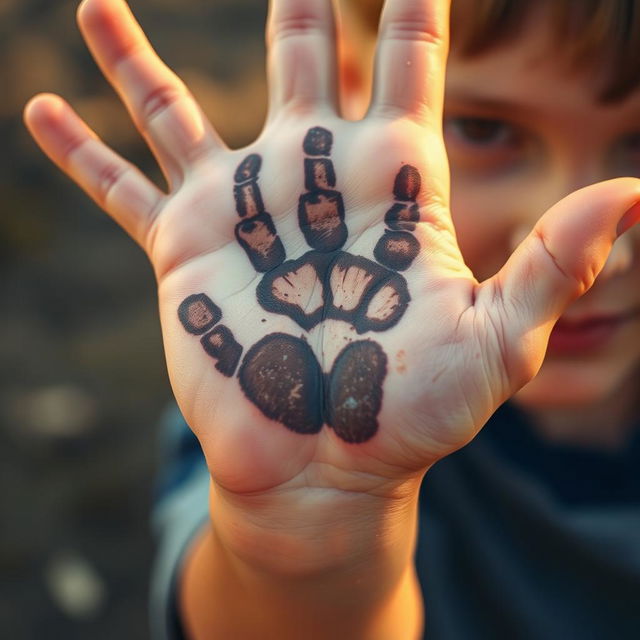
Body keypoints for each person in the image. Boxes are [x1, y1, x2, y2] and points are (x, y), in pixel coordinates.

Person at [23, 0, 640, 638]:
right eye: (485, 129)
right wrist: (314, 532)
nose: (607, 256)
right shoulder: (260, 406)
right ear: (355, 89)